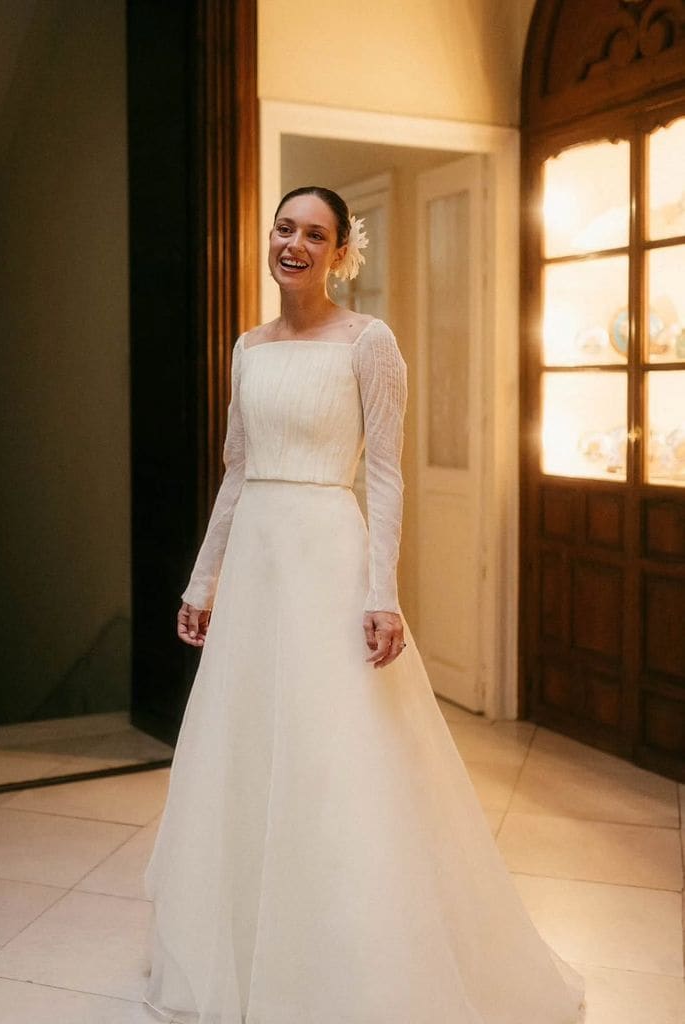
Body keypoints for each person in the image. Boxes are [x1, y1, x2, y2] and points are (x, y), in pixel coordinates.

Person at [142, 186, 586, 1024]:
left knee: (336, 753)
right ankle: (242, 940)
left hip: (327, 559)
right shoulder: (245, 347)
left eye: (315, 234)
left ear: (341, 252)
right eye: (284, 229)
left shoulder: (369, 343)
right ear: (267, 240)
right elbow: (237, 472)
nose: (295, 245)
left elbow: (384, 475)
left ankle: (346, 956)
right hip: (259, 567)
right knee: (245, 747)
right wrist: (203, 582)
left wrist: (380, 593)